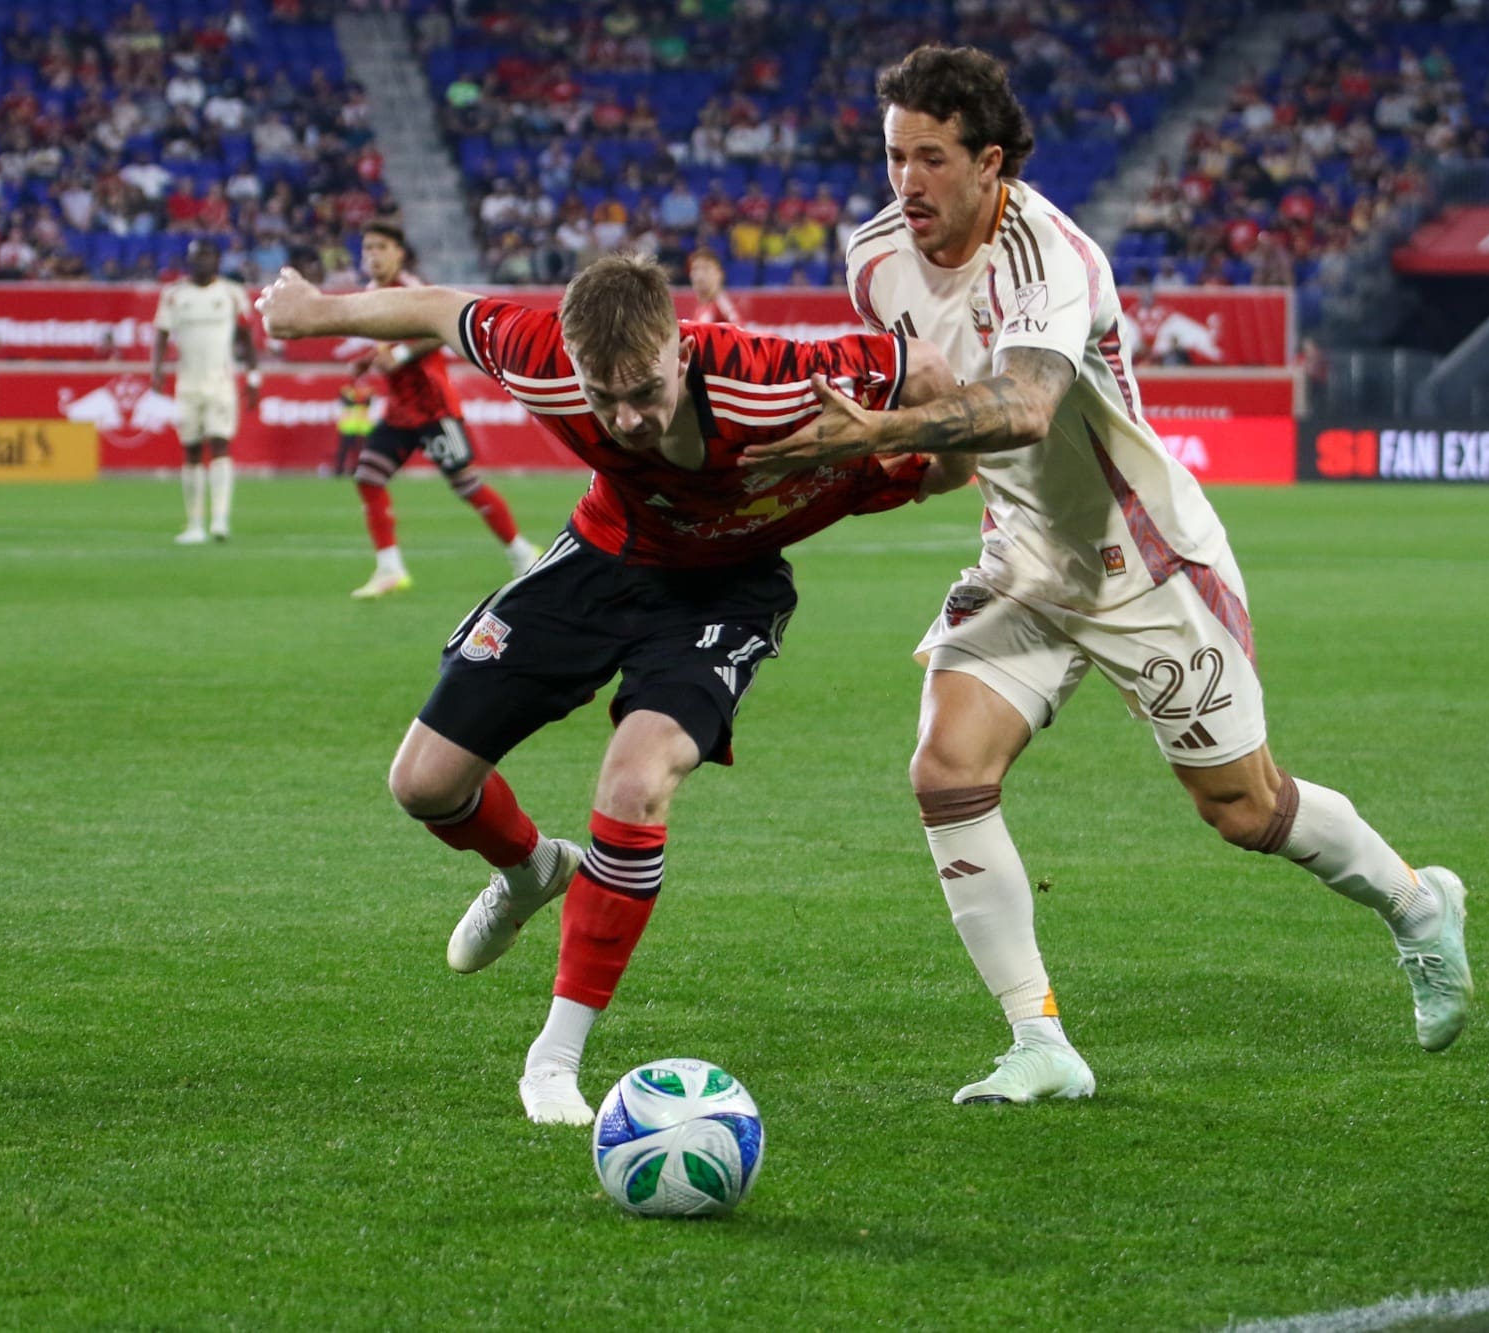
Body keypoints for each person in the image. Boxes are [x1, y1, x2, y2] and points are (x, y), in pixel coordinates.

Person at [743, 45, 1474, 1106]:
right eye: (894, 156)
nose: (906, 182)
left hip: (1142, 562)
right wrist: (869, 472)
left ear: (989, 162)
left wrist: (875, 435)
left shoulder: (1053, 258)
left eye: (932, 158)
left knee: (1243, 809)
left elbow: (1024, 406)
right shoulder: (874, 259)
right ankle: (1038, 1040)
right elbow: (955, 432)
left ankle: (1417, 905)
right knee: (945, 770)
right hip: (1022, 556)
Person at [256, 252, 971, 1125]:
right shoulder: (544, 360)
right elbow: (441, 308)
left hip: (724, 592)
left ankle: (554, 1060)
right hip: (601, 558)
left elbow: (924, 367)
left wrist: (921, 451)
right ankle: (530, 869)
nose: (627, 418)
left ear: (682, 349)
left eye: (644, 391)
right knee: (423, 784)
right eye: (605, 398)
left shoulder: (772, 381)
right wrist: (313, 311)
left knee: (634, 785)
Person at [346, 222, 538, 599]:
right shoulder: (372, 294)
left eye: (381, 247)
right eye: (367, 248)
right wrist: (370, 359)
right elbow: (391, 344)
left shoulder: (412, 289)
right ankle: (389, 569)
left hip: (433, 408)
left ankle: (523, 554)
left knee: (466, 484)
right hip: (400, 411)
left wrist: (400, 354)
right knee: (368, 477)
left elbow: (438, 330)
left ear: (399, 253)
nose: (373, 255)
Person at [151, 238, 258, 544]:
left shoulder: (232, 293)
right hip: (187, 384)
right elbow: (161, 334)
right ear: (188, 259)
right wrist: (156, 370)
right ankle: (195, 524)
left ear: (218, 260)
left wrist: (253, 377)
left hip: (221, 383)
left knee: (220, 443)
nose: (202, 261)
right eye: (197, 256)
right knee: (192, 449)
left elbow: (246, 338)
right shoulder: (174, 295)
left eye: (208, 256)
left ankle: (220, 521)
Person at [335, 373, 375, 476]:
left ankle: (357, 469)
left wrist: (359, 398)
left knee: (362, 450)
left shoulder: (368, 391)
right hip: (349, 425)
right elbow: (346, 402)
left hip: (363, 425)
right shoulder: (347, 391)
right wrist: (358, 398)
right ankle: (339, 469)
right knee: (345, 448)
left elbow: (368, 403)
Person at [687, 248, 741, 323]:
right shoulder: (702, 307)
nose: (699, 275)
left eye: (706, 269)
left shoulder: (722, 305)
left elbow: (738, 327)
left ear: (719, 274)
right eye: (695, 269)